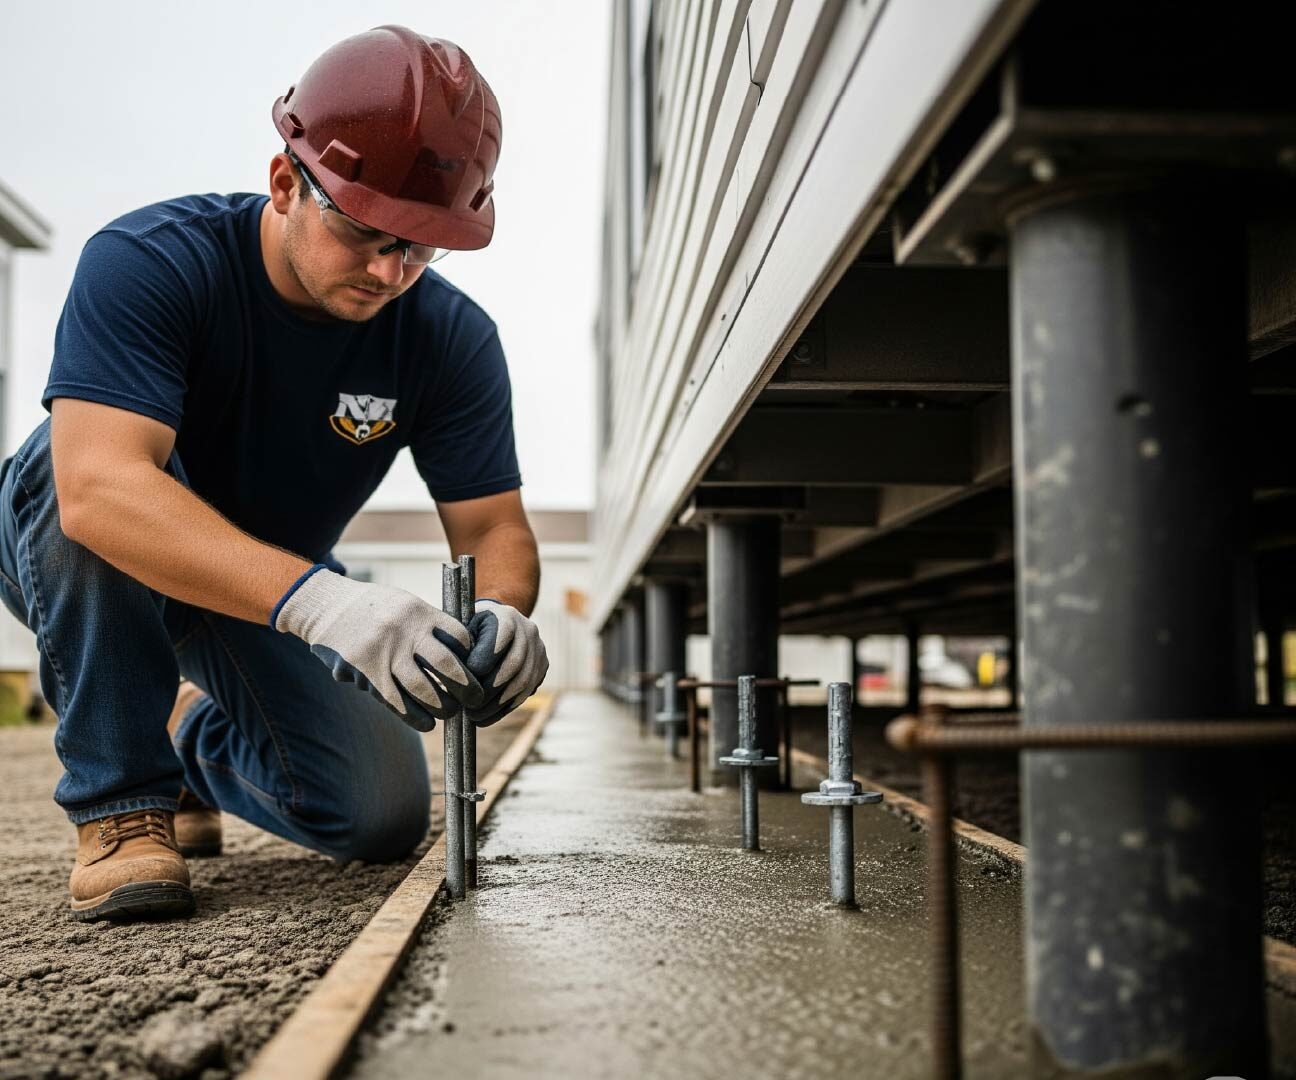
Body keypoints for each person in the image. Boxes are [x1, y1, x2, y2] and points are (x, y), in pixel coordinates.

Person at [0, 25, 548, 922]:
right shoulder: (152, 262)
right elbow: (99, 490)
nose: (390, 271)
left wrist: (504, 612)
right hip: (88, 551)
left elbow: (491, 527)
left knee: (378, 815)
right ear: (287, 181)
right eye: (367, 233)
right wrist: (329, 606)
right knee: (86, 483)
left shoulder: (450, 340)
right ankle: (121, 804)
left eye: (421, 248)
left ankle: (179, 727)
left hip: (260, 584)